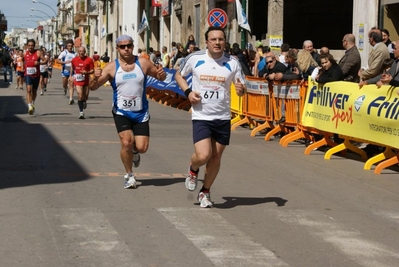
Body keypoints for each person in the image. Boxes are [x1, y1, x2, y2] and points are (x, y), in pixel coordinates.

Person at [175, 26, 247, 208]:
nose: (217, 42)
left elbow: (242, 87)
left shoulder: (233, 62)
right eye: (213, 39)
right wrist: (189, 92)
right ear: (206, 42)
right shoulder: (195, 58)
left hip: (222, 116)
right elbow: (179, 75)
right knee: (204, 154)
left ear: (225, 41)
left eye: (221, 39)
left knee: (215, 158)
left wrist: (241, 90)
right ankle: (193, 169)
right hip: (202, 115)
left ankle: (205, 192)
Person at [89, 35, 166, 189]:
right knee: (126, 142)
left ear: (132, 46)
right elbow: (93, 87)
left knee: (142, 147)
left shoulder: (142, 63)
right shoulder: (111, 67)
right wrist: (93, 77)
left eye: (129, 46)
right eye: (122, 46)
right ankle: (129, 175)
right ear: (117, 49)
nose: (126, 49)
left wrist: (161, 75)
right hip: (121, 112)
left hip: (140, 112)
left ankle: (135, 152)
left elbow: (159, 76)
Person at [24, 39, 47, 115]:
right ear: (27, 46)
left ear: (34, 46)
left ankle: (32, 103)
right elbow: (21, 60)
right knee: (28, 89)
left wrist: (39, 62)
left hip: (36, 75)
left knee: (34, 91)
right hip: (28, 75)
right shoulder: (25, 53)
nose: (30, 47)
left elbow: (45, 60)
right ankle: (29, 106)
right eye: (29, 45)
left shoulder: (38, 53)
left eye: (32, 46)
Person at [70, 46, 94, 119]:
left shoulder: (89, 60)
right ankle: (81, 112)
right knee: (80, 95)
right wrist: (70, 76)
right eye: (80, 51)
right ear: (78, 52)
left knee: (85, 96)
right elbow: (72, 67)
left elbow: (92, 70)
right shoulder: (74, 60)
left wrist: (86, 72)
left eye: (83, 51)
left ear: (85, 52)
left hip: (86, 80)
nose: (81, 53)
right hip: (78, 80)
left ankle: (84, 101)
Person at [56, 39, 77, 104]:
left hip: (72, 71)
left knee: (71, 84)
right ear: (67, 46)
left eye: (71, 46)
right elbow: (57, 60)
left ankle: (71, 98)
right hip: (65, 70)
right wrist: (65, 62)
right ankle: (65, 88)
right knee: (64, 84)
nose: (70, 47)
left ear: (73, 46)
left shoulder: (75, 54)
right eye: (68, 46)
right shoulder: (64, 53)